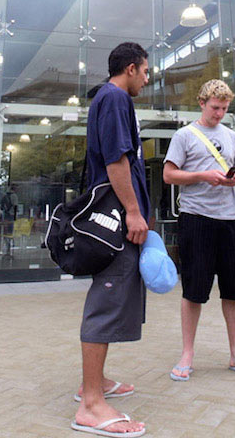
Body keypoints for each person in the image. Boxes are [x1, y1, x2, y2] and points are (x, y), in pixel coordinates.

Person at [71, 42, 151, 437]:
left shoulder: (106, 98)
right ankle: (90, 406)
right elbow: (116, 160)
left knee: (110, 293)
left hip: (111, 214)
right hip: (116, 217)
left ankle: (94, 384)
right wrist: (133, 212)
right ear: (132, 69)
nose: (147, 79)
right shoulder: (116, 98)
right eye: (146, 72)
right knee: (106, 298)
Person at [162, 79, 235, 383]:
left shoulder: (231, 136)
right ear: (202, 103)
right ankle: (187, 354)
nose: (219, 114)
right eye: (215, 108)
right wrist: (203, 175)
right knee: (194, 289)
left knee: (234, 289)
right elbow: (168, 175)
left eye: (225, 109)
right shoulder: (184, 136)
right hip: (197, 218)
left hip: (233, 218)